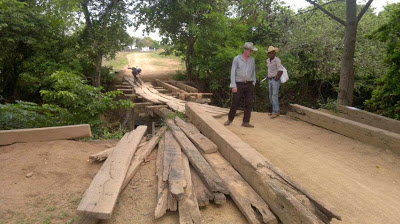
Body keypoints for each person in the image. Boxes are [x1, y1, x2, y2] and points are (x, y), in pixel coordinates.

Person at [224, 42, 258, 128]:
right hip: (239, 83)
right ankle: (230, 119)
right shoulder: (237, 59)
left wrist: (253, 82)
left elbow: (253, 72)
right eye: (250, 51)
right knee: (235, 102)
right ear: (245, 50)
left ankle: (246, 121)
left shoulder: (252, 60)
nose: (251, 53)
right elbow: (233, 72)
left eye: (252, 51)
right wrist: (233, 85)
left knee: (249, 103)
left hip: (249, 83)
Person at [266, 46, 284, 118]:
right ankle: (276, 110)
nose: (271, 54)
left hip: (275, 80)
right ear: (268, 54)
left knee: (274, 96)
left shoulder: (277, 60)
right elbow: (270, 70)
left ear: (275, 53)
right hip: (270, 79)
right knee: (270, 96)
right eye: (270, 53)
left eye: (272, 53)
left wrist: (277, 78)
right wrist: (268, 76)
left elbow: (281, 70)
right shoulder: (267, 60)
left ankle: (275, 112)